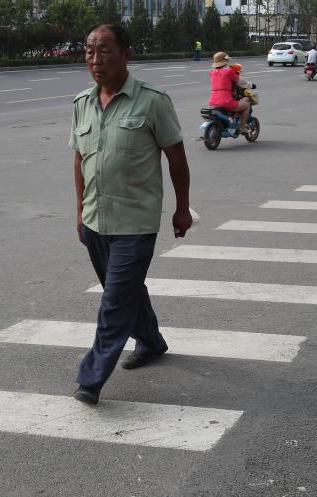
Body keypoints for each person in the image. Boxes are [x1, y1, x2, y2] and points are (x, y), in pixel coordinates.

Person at [69, 23, 192, 406]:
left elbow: (176, 157)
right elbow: (79, 160)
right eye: (89, 51)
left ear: (126, 54)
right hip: (95, 220)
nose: (95, 59)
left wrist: (182, 208)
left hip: (135, 223)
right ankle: (152, 341)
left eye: (104, 50)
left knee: (115, 302)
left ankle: (90, 380)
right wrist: (80, 212)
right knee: (125, 291)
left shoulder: (152, 101)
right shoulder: (82, 103)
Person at [209, 51, 252, 136]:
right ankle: (242, 127)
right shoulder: (228, 72)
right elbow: (240, 82)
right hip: (226, 101)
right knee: (247, 105)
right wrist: (250, 84)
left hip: (213, 101)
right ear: (225, 61)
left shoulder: (212, 72)